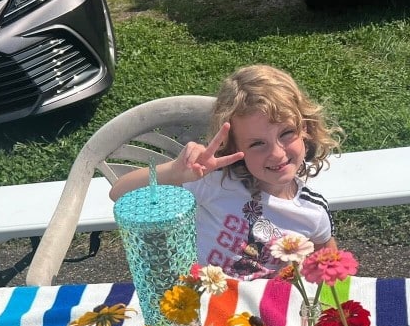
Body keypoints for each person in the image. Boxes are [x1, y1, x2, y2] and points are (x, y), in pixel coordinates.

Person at [108, 65, 343, 279]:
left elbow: (330, 271)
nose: (277, 153)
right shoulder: (215, 181)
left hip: (262, 317)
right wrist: (176, 172)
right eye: (257, 144)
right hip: (200, 305)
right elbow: (119, 193)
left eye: (286, 133)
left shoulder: (313, 212)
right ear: (234, 147)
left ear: (306, 128)